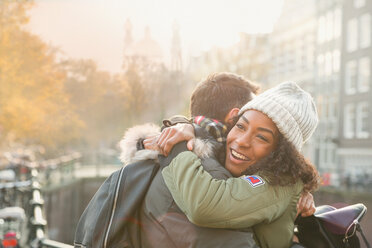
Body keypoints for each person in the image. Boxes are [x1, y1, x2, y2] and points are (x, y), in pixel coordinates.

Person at [160, 81, 320, 248]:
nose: (242, 141)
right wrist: (182, 125)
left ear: (281, 153)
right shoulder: (241, 162)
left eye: (262, 138)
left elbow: (204, 206)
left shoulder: (280, 183)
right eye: (241, 126)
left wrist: (178, 146)